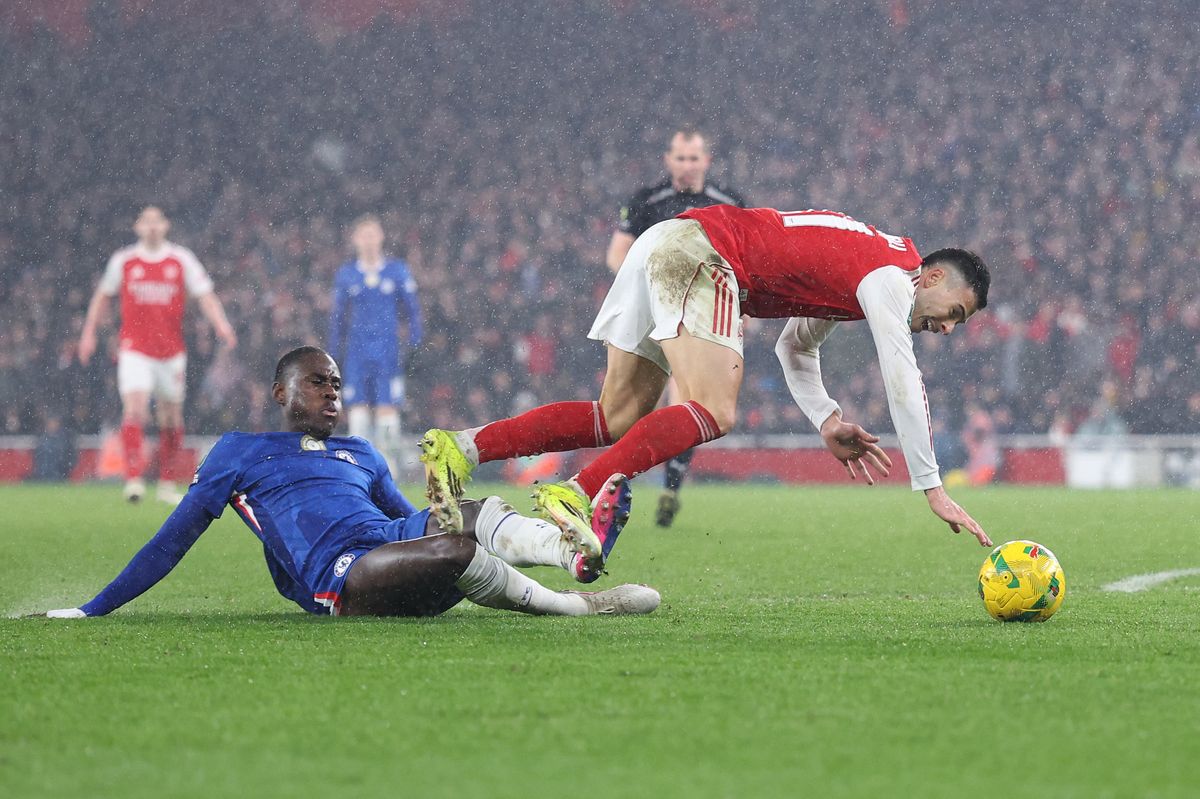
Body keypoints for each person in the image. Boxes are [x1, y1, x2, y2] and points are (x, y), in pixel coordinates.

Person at [421, 206, 994, 582]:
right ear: (935, 278)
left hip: (669, 243)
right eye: (955, 315)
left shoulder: (867, 272)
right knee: (714, 408)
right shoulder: (893, 279)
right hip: (706, 255)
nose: (946, 329)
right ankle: (579, 491)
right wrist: (931, 488)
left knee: (616, 416)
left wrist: (826, 419)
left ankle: (463, 448)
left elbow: (794, 349)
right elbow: (902, 375)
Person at [43, 346, 659, 620]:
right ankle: (578, 607)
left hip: (391, 554)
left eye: (337, 383)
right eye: (318, 382)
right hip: (341, 579)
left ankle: (569, 555)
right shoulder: (239, 452)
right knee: (455, 547)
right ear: (281, 391)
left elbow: (405, 520)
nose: (332, 393)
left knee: (467, 515)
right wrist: (93, 608)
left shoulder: (359, 451)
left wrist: (444, 500)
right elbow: (172, 540)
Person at [604, 127, 748, 529]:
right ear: (669, 160)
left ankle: (667, 486)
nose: (687, 166)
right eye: (680, 159)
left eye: (694, 158)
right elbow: (617, 254)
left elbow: (744, 261)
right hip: (649, 310)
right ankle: (623, 480)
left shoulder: (729, 203)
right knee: (627, 408)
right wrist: (648, 278)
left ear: (707, 160)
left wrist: (742, 306)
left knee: (685, 401)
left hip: (698, 316)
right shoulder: (647, 202)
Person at [78, 205, 238, 504]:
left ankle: (165, 484)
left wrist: (222, 325)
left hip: (171, 352)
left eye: (157, 221)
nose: (152, 227)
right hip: (134, 349)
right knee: (135, 407)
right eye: (146, 222)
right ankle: (134, 479)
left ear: (166, 226)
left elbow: (205, 295)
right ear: (137, 227)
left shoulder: (181, 259)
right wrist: (88, 333)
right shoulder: (124, 261)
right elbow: (102, 297)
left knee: (170, 416)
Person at [328, 214, 423, 474]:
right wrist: (333, 351)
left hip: (387, 352)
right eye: (364, 235)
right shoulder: (347, 274)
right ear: (355, 239)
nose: (369, 240)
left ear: (381, 237)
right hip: (356, 353)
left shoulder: (397, 270)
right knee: (357, 411)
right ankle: (363, 470)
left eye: (373, 234)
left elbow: (413, 310)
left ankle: (389, 471)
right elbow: (337, 317)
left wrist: (415, 343)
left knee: (387, 409)